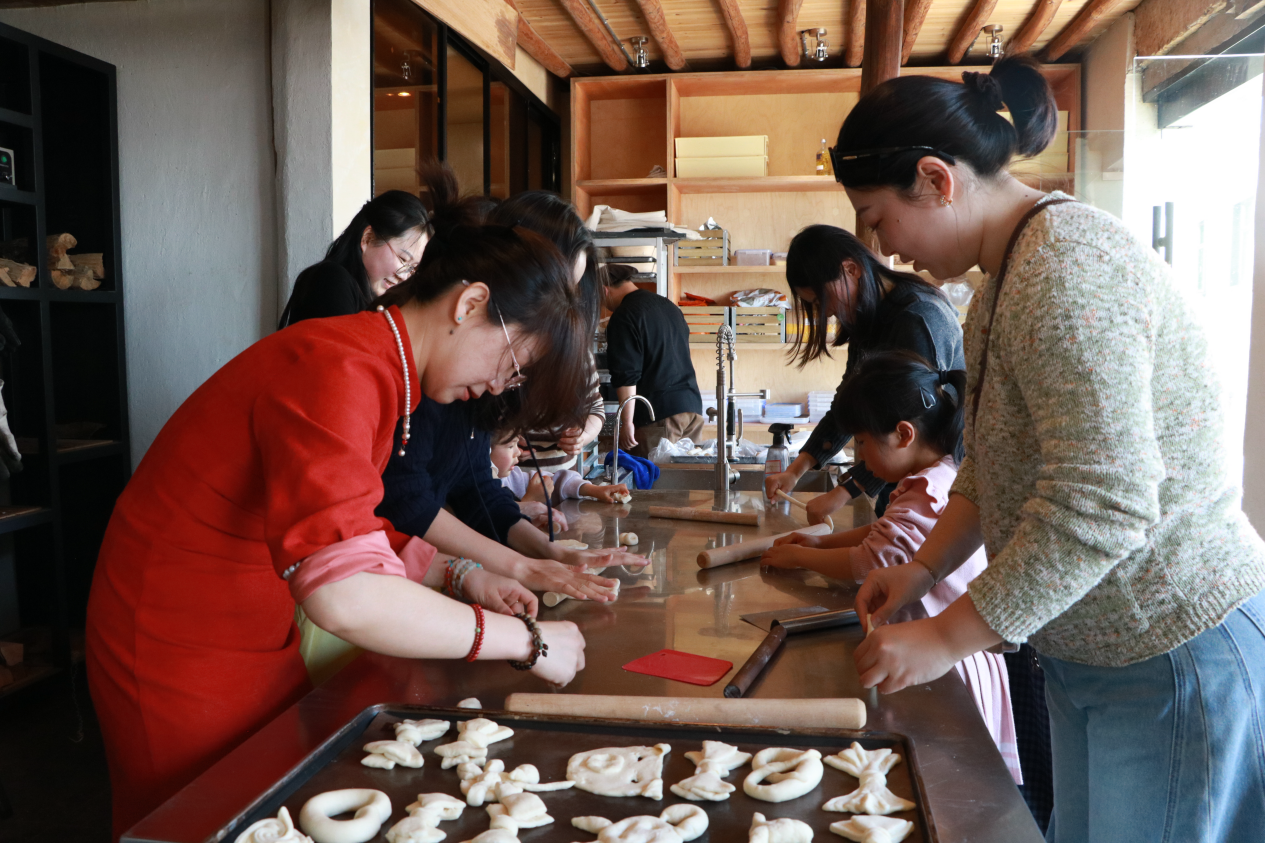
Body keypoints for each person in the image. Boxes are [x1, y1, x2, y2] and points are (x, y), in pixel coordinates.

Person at [834, 56, 1265, 842]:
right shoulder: (1002, 281)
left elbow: (1104, 500)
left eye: (876, 216)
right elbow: (992, 467)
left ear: (934, 180)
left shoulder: (1065, 270)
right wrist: (923, 569)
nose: (882, 247)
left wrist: (944, 636)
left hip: (1168, 641)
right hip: (1092, 648)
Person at [86, 223, 594, 838]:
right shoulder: (339, 365)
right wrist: (525, 641)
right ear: (469, 303)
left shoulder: (380, 367)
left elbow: (349, 522)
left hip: (254, 622)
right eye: (513, 366)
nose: (498, 386)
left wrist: (461, 573)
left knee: (271, 803)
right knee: (200, 818)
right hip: (176, 638)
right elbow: (344, 594)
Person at [760, 351, 1019, 784]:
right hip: (934, 648)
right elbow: (883, 534)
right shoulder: (939, 474)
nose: (859, 456)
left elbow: (872, 559)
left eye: (862, 442)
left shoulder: (927, 487)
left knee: (950, 778)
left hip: (945, 660)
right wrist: (820, 541)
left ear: (903, 434)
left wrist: (801, 557)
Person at [763, 225, 963, 522]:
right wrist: (795, 470)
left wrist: (844, 492)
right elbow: (849, 407)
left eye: (822, 300)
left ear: (851, 269)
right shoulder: (868, 317)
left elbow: (906, 427)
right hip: (900, 481)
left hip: (933, 489)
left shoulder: (918, 318)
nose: (826, 312)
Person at [488, 192, 606, 472]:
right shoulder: (482, 355)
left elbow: (595, 408)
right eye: (556, 293)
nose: (562, 315)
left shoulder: (571, 351)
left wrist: (582, 434)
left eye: (571, 294)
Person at [603, 263, 704, 457]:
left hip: (658, 415)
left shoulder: (624, 315)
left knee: (654, 475)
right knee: (685, 473)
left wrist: (627, 422)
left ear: (604, 290)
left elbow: (626, 375)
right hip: (692, 408)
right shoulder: (668, 306)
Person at [491, 434, 631, 505]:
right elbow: (502, 525)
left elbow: (556, 482)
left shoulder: (514, 477)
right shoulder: (483, 492)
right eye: (510, 446)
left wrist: (594, 490)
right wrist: (532, 501)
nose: (518, 452)